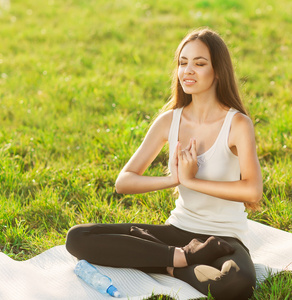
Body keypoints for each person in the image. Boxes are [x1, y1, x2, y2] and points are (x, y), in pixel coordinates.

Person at [66, 28, 263, 300]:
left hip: (223, 239)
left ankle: (169, 263)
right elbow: (124, 181)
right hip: (178, 231)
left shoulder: (237, 124)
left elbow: (252, 191)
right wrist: (174, 179)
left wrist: (192, 181)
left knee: (237, 283)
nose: (188, 71)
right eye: (183, 63)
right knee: (77, 238)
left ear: (218, 71)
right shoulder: (169, 121)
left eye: (199, 63)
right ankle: (182, 258)